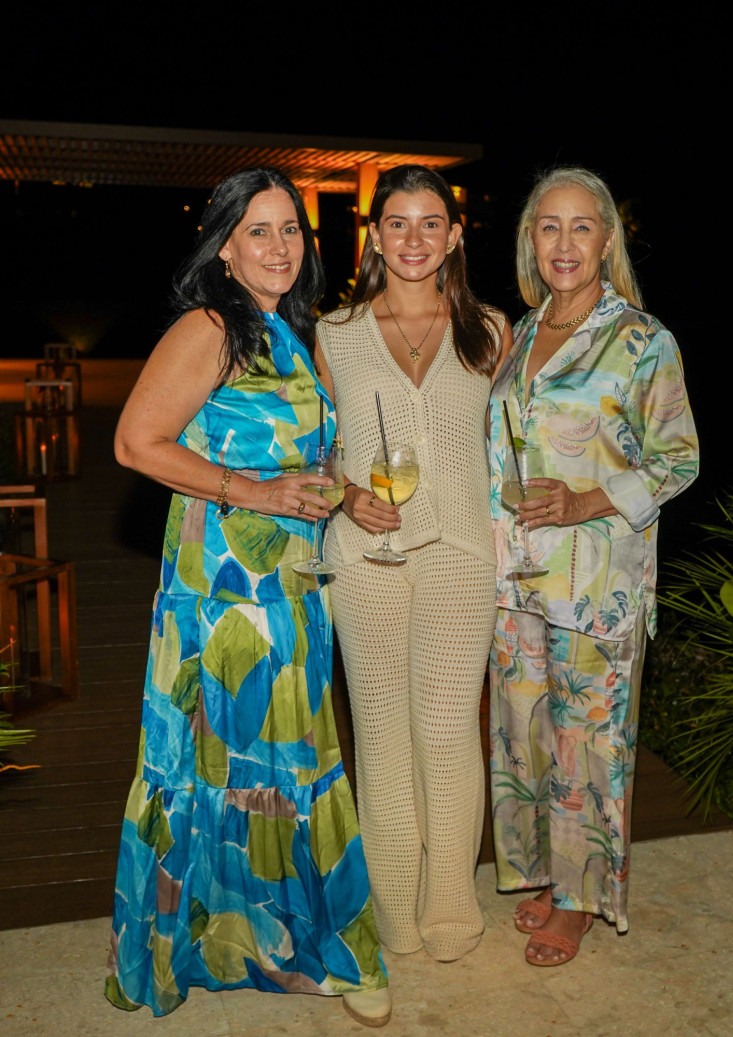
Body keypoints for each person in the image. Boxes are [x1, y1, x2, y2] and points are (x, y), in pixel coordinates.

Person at [104, 167, 391, 1027]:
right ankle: (280, 947)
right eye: (259, 231)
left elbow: (305, 461)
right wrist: (254, 492)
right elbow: (134, 442)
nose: (278, 247)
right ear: (225, 245)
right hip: (223, 590)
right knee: (223, 759)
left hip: (293, 588)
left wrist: (345, 494)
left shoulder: (288, 332)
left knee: (287, 760)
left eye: (291, 232)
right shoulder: (208, 326)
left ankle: (278, 942)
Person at [488, 166, 698, 966]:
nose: (565, 243)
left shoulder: (644, 340)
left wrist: (584, 501)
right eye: (549, 226)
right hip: (517, 579)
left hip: (596, 583)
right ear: (529, 240)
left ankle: (579, 901)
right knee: (529, 736)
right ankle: (550, 873)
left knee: (588, 744)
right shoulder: (518, 331)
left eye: (582, 227)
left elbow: (679, 458)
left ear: (608, 239)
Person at [315, 164, 513, 962]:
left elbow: (514, 441)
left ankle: (451, 898)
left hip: (463, 553)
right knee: (383, 731)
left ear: (456, 236)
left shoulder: (492, 331)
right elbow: (316, 452)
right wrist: (344, 495)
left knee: (445, 729)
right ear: (374, 235)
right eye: (397, 223)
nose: (414, 239)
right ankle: (392, 900)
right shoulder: (335, 334)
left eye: (432, 223)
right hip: (365, 557)